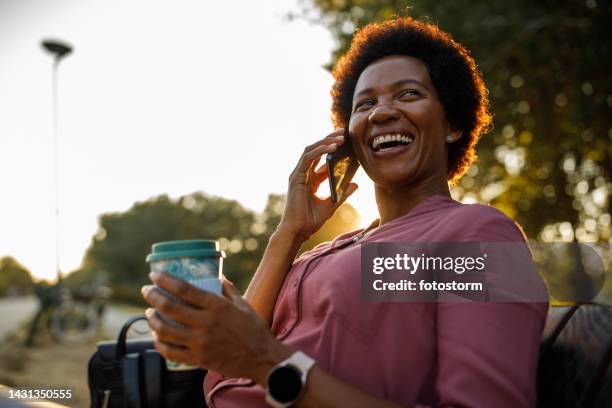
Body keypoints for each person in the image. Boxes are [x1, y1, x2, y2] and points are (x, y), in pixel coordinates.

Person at [141, 17, 548, 407]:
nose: (381, 112)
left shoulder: (475, 233)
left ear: (453, 125)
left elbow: (254, 354)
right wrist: (290, 231)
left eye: (408, 94)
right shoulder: (328, 248)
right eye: (365, 103)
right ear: (347, 138)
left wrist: (266, 361)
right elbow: (228, 359)